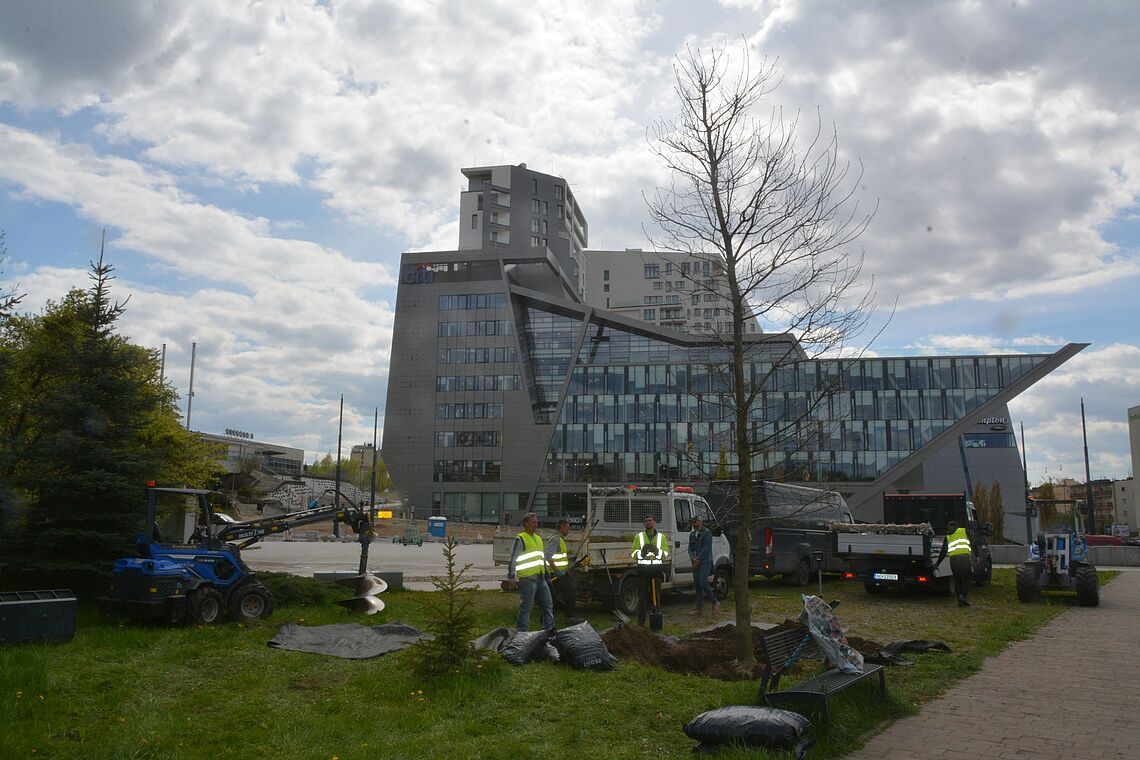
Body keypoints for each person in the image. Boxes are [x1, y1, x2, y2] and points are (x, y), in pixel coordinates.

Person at [505, 512, 554, 631]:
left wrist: (547, 576)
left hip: (540, 578)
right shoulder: (521, 538)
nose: (536, 524)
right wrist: (511, 577)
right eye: (533, 522)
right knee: (526, 607)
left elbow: (541, 558)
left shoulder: (538, 538)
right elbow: (513, 558)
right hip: (527, 579)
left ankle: (549, 630)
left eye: (536, 522)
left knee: (548, 605)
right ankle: (522, 633)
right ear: (526, 524)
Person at [630, 514, 669, 625]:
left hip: (656, 571)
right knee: (642, 597)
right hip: (643, 571)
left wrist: (657, 552)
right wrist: (641, 553)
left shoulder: (662, 537)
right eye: (646, 521)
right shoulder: (639, 537)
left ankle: (655, 617)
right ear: (644, 523)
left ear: (654, 522)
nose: (648, 522)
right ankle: (641, 620)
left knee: (656, 597)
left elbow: (665, 553)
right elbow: (633, 553)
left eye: (649, 520)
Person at [934, 520, 974, 606]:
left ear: (949, 527)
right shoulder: (963, 531)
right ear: (957, 526)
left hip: (954, 560)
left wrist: (938, 563)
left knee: (957, 579)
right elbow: (973, 542)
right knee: (968, 577)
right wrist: (977, 555)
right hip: (964, 558)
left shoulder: (948, 535)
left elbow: (943, 552)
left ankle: (959, 600)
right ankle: (963, 596)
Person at [546, 518, 577, 621]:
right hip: (557, 574)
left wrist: (569, 558)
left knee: (556, 597)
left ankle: (550, 618)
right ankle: (569, 617)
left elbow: (558, 556)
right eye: (568, 527)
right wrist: (557, 571)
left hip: (561, 573)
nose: (569, 530)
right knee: (569, 593)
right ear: (562, 527)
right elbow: (548, 556)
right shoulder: (556, 539)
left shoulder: (560, 539)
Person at [688, 515, 719, 615]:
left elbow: (706, 548)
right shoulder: (692, 535)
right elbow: (690, 548)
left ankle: (714, 602)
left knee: (702, 582)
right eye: (692, 522)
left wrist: (698, 558)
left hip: (705, 561)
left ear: (700, 522)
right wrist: (692, 557)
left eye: (695, 522)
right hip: (695, 561)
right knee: (697, 585)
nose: (693, 524)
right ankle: (699, 608)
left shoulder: (707, 533)